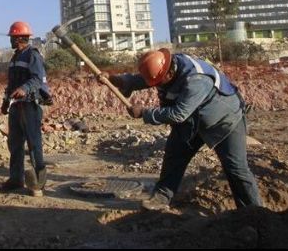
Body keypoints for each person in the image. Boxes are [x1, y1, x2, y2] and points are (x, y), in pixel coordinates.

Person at [110, 48, 262, 211]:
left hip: (224, 120)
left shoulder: (196, 79)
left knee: (236, 168)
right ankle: (161, 197)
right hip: (193, 120)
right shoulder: (166, 68)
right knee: (174, 156)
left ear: (168, 72)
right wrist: (122, 81)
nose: (157, 86)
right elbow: (147, 79)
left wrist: (145, 113)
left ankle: (254, 212)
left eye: (160, 82)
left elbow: (178, 114)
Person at [0, 21, 49, 194]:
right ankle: (16, 179)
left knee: (34, 145)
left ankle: (38, 184)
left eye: (12, 37)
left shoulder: (32, 55)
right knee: (15, 144)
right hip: (16, 107)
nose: (11, 40)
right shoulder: (15, 58)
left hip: (30, 106)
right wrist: (5, 102)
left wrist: (24, 89)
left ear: (19, 38)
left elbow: (37, 79)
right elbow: (11, 84)